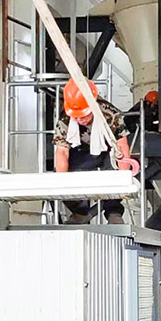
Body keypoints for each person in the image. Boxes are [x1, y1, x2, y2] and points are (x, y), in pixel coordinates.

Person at [53, 78, 137, 224]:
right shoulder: (65, 119)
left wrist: (124, 178)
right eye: (77, 116)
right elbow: (62, 152)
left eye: (84, 115)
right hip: (80, 151)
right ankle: (80, 212)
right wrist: (62, 182)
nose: (81, 120)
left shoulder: (110, 114)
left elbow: (121, 146)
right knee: (65, 172)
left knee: (113, 171)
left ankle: (113, 212)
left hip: (107, 150)